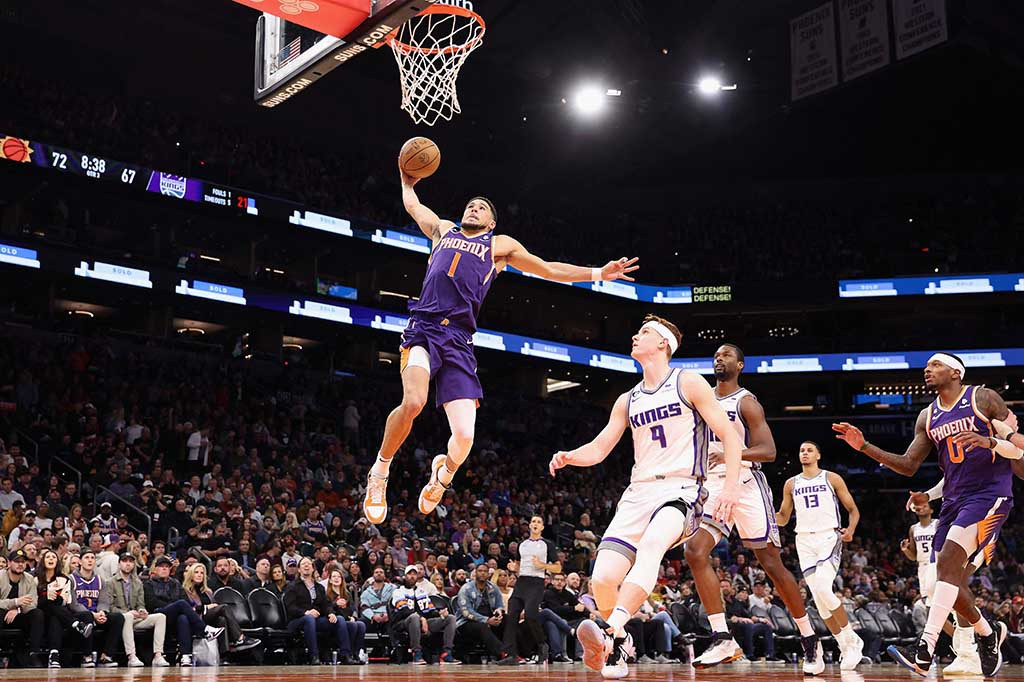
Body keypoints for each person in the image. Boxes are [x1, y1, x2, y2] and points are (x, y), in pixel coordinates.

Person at [363, 169, 639, 524]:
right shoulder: (443, 230)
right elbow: (414, 205)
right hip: (424, 328)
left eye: (481, 208)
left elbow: (549, 269)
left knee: (463, 438)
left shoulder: (499, 247)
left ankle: (442, 476)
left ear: (491, 221)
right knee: (413, 401)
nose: (474, 209)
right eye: (471, 205)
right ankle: (380, 473)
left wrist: (599, 273)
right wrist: (405, 179)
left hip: (459, 341)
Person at [550, 315, 743, 679]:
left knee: (654, 544)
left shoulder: (688, 382)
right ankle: (620, 643)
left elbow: (731, 438)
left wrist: (730, 488)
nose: (636, 337)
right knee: (603, 578)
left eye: (644, 333)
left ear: (663, 344)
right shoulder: (628, 398)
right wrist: (572, 456)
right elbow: (601, 446)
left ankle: (611, 632)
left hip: (682, 487)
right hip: (638, 492)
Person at [833, 352, 1016, 677]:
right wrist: (864, 446)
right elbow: (907, 465)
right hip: (953, 501)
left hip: (990, 495)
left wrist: (997, 442)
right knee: (944, 580)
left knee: (946, 565)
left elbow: (1015, 448)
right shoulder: (927, 416)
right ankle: (988, 633)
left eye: (935, 365)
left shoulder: (983, 398)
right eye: (927, 366)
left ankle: (926, 646)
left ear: (955, 372)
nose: (927, 370)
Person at [685, 344, 825, 674]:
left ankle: (809, 638)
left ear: (741, 365)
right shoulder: (700, 400)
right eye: (716, 356)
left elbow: (769, 450)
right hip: (714, 484)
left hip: (747, 484)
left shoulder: (746, 402)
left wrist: (734, 455)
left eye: (727, 356)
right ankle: (722, 636)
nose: (720, 359)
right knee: (695, 551)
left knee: (772, 563)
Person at [776, 440, 864, 669]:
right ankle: (843, 645)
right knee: (819, 600)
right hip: (803, 540)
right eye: (801, 450)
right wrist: (765, 516)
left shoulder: (831, 478)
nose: (804, 453)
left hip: (828, 536)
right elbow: (784, 517)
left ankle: (851, 640)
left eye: (809, 450)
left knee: (824, 588)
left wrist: (851, 530)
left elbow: (853, 509)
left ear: (818, 455)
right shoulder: (791, 483)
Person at [498, 515, 560, 666]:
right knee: (511, 615)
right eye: (533, 521)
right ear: (530, 525)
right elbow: (519, 565)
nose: (535, 524)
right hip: (521, 582)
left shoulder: (547, 545)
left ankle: (542, 644)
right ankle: (511, 654)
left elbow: (558, 567)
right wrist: (514, 569)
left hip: (536, 582)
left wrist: (543, 565)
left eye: (539, 522)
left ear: (543, 527)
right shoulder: (522, 544)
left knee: (531, 615)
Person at [144, 556, 223, 667]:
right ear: (155, 569)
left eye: (167, 567)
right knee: (180, 604)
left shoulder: (175, 583)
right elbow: (152, 603)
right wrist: (174, 606)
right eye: (161, 567)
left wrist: (176, 607)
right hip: (158, 614)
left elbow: (185, 601)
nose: (164, 569)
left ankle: (186, 656)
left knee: (183, 618)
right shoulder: (149, 584)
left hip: (174, 616)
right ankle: (205, 629)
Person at [283, 556, 355, 664]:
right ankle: (314, 656)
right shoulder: (292, 586)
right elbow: (290, 607)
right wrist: (306, 612)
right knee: (309, 619)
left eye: (309, 564)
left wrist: (330, 613)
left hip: (315, 620)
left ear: (313, 569)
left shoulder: (319, 587)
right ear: (299, 569)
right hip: (296, 620)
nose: (306, 566)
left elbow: (326, 604)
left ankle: (345, 655)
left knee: (339, 619)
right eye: (303, 564)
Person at [105, 552, 170, 667]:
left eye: (130, 561)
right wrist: (126, 612)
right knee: (128, 616)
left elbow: (140, 604)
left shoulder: (138, 583)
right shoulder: (110, 583)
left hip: (135, 618)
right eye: (125, 561)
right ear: (119, 564)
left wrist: (142, 611)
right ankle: (132, 656)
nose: (128, 564)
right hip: (121, 618)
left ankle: (158, 656)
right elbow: (109, 607)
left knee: (161, 617)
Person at [35, 548, 94, 668]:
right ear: (43, 561)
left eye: (53, 557)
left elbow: (64, 601)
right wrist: (46, 597)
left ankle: (84, 657)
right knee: (50, 609)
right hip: (41, 616)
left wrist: (53, 597)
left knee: (84, 615)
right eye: (48, 557)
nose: (51, 559)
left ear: (58, 561)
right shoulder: (35, 579)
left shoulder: (64, 579)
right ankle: (77, 625)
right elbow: (34, 602)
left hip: (60, 614)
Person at [183, 562, 260, 653]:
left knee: (222, 620)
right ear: (191, 574)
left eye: (202, 573)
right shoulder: (185, 590)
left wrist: (210, 607)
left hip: (208, 618)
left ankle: (224, 654)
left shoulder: (208, 591)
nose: (199, 575)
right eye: (196, 572)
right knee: (224, 607)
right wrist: (206, 607)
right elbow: (188, 609)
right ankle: (240, 638)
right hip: (196, 619)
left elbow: (215, 605)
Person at [391, 564, 459, 665]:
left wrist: (439, 613)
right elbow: (404, 611)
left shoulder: (421, 592)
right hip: (403, 622)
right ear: (405, 576)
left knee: (450, 618)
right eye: (410, 574)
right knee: (414, 617)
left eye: (415, 574)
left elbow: (430, 611)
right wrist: (422, 619)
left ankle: (446, 653)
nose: (412, 576)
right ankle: (416, 653)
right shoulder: (398, 591)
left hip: (424, 622)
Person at [70, 549, 125, 667]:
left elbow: (104, 601)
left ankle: (106, 656)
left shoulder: (100, 580)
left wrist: (102, 613)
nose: (90, 560)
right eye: (87, 558)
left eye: (92, 558)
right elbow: (73, 604)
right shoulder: (71, 579)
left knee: (118, 618)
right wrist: (92, 614)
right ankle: (87, 656)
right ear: (79, 561)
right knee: (87, 616)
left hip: (96, 614)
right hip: (79, 616)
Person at [0, 549, 45, 667]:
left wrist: (18, 608)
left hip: (19, 616)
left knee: (37, 613)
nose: (20, 564)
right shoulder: (0, 576)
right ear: (9, 563)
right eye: (17, 561)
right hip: (2, 616)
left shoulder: (29, 579)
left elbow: (33, 602)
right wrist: (15, 602)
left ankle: (33, 654)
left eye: (23, 562)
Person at [455, 563, 506, 660]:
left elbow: (500, 604)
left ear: (489, 574)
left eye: (485, 571)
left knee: (508, 620)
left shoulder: (493, 587)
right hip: (467, 622)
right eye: (480, 571)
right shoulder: (466, 589)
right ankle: (503, 653)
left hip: (489, 618)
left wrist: (499, 611)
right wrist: (486, 620)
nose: (482, 573)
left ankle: (516, 651)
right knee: (482, 627)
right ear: (475, 573)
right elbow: (466, 613)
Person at [325, 567, 367, 663]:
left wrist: (353, 616)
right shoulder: (327, 594)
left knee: (361, 625)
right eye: (334, 577)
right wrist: (336, 604)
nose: (336, 578)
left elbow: (353, 609)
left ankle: (355, 653)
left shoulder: (346, 594)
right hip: (334, 621)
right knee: (352, 625)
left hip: (346, 619)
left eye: (339, 577)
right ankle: (346, 654)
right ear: (330, 580)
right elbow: (327, 608)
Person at [359, 566, 395, 638]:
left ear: (384, 576)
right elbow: (364, 607)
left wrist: (388, 614)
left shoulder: (393, 588)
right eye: (376, 572)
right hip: (373, 617)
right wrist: (372, 616)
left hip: (389, 616)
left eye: (381, 572)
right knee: (361, 623)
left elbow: (396, 603)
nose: (379, 574)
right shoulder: (366, 592)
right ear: (373, 576)